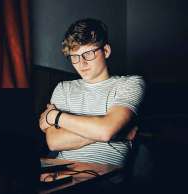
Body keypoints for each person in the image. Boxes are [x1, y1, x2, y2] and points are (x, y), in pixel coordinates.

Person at [39, 18, 145, 167]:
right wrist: (119, 133)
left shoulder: (130, 83)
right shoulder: (63, 88)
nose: (81, 63)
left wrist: (54, 116)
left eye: (88, 53)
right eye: (74, 57)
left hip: (105, 180)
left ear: (106, 51)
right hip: (62, 174)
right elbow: (54, 142)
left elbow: (106, 131)